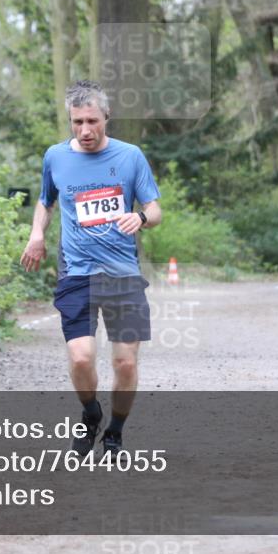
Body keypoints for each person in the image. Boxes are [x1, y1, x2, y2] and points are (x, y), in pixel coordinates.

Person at [21, 80, 162, 457]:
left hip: (123, 274)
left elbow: (155, 209)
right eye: (77, 122)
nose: (84, 130)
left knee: (125, 363)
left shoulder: (131, 156)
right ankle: (91, 413)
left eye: (92, 121)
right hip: (76, 272)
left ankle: (115, 433)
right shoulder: (55, 157)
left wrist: (140, 217)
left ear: (107, 118)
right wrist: (37, 234)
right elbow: (45, 202)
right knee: (82, 357)